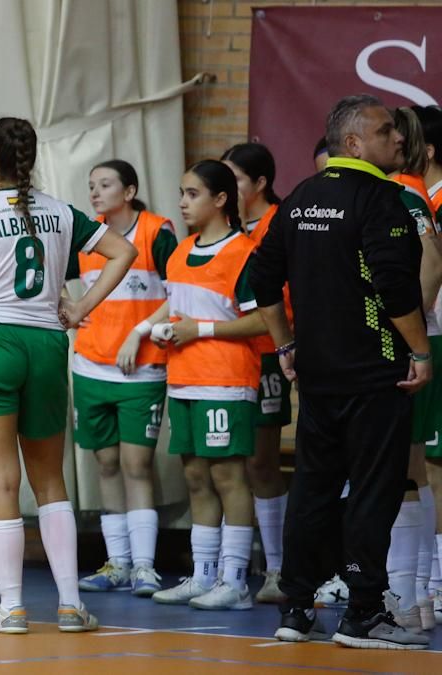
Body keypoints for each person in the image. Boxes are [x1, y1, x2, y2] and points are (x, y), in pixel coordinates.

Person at [0, 117, 135, 634]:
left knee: (1, 479)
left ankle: (12, 607)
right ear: (30, 159)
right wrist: (81, 304)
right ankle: (69, 605)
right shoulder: (62, 212)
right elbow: (123, 252)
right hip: (44, 342)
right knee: (49, 479)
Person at [252, 94, 431, 649]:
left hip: (320, 377)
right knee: (375, 490)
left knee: (312, 488)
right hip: (375, 375)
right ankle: (363, 614)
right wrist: (421, 353)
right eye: (386, 131)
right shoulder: (384, 200)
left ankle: (298, 608)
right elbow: (396, 287)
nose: (399, 139)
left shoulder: (303, 197)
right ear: (354, 142)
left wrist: (287, 346)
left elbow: (260, 278)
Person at [146, 160, 266, 612]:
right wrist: (155, 330)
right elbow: (177, 311)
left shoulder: (244, 253)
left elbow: (260, 320)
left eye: (192, 193)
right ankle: (203, 575)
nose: (182, 202)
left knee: (227, 476)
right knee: (195, 476)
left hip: (226, 380)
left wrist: (205, 331)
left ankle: (235, 581)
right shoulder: (179, 253)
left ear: (220, 200)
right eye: (181, 192)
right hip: (184, 379)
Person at [73, 159, 177, 598]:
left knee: (136, 465)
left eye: (106, 184)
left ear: (129, 191)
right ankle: (116, 561)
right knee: (107, 464)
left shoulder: (157, 231)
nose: (96, 192)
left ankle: (145, 567)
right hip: (90, 366)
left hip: (142, 368)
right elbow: (57, 278)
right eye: (92, 185)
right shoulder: (86, 236)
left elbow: (180, 291)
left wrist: (140, 331)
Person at [221, 142, 292, 605]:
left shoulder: (278, 226)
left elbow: (282, 303)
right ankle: (231, 568)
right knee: (234, 464)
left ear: (260, 183)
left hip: (270, 353)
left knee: (262, 462)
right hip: (231, 359)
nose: (227, 192)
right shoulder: (236, 232)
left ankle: (279, 569)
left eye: (236, 182)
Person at [385, 106, 442, 632]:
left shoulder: (408, 194)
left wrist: (414, 336)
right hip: (421, 338)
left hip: (422, 340)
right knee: (415, 467)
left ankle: (421, 591)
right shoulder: (412, 194)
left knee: (415, 467)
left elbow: (431, 264)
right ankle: (417, 593)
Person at [417, 104, 442, 624]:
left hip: (435, 338)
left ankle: (436, 584)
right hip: (425, 338)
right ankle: (420, 582)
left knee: (435, 468)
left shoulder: (435, 202)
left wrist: (410, 322)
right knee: (416, 467)